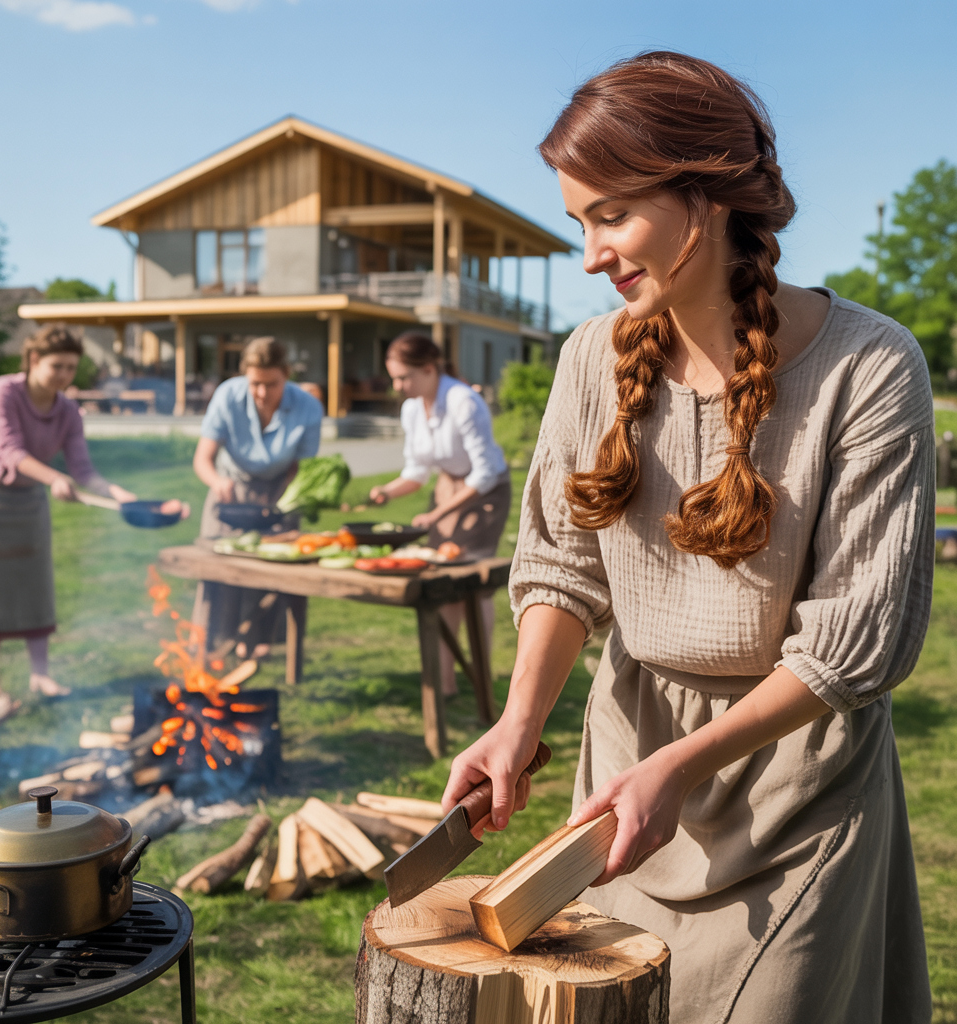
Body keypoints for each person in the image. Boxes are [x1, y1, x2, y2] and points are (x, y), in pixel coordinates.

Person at [442, 52, 933, 1024]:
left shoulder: (869, 367)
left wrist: (683, 764)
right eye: (579, 220)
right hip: (625, 778)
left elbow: (851, 645)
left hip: (796, 784)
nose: (587, 254)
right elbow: (560, 564)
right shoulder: (593, 355)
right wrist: (520, 720)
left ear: (703, 197)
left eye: (609, 215)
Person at [0, 325, 138, 700]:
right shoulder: (3, 391)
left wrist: (116, 493)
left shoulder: (68, 410)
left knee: (35, 587)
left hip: (31, 500)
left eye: (71, 368)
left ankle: (41, 676)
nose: (65, 376)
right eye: (58, 366)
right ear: (34, 360)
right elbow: (10, 452)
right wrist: (55, 478)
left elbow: (82, 469)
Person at [370, 332, 510, 697]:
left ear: (429, 369)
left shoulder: (464, 402)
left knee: (474, 584)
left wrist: (436, 515)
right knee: (445, 582)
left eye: (404, 377)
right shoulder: (412, 409)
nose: (398, 386)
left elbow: (483, 473)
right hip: (450, 486)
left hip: (486, 492)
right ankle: (446, 681)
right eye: (395, 378)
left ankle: (482, 671)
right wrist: (386, 491)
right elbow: (416, 473)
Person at [191, 336, 323, 657]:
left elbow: (301, 468)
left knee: (272, 572)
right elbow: (203, 458)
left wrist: (282, 501)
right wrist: (218, 482)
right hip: (231, 491)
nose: (262, 393)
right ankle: (210, 643)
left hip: (279, 491)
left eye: (271, 384)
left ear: (287, 374)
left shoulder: (308, 408)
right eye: (254, 384)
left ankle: (260, 643)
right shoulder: (227, 396)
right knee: (218, 569)